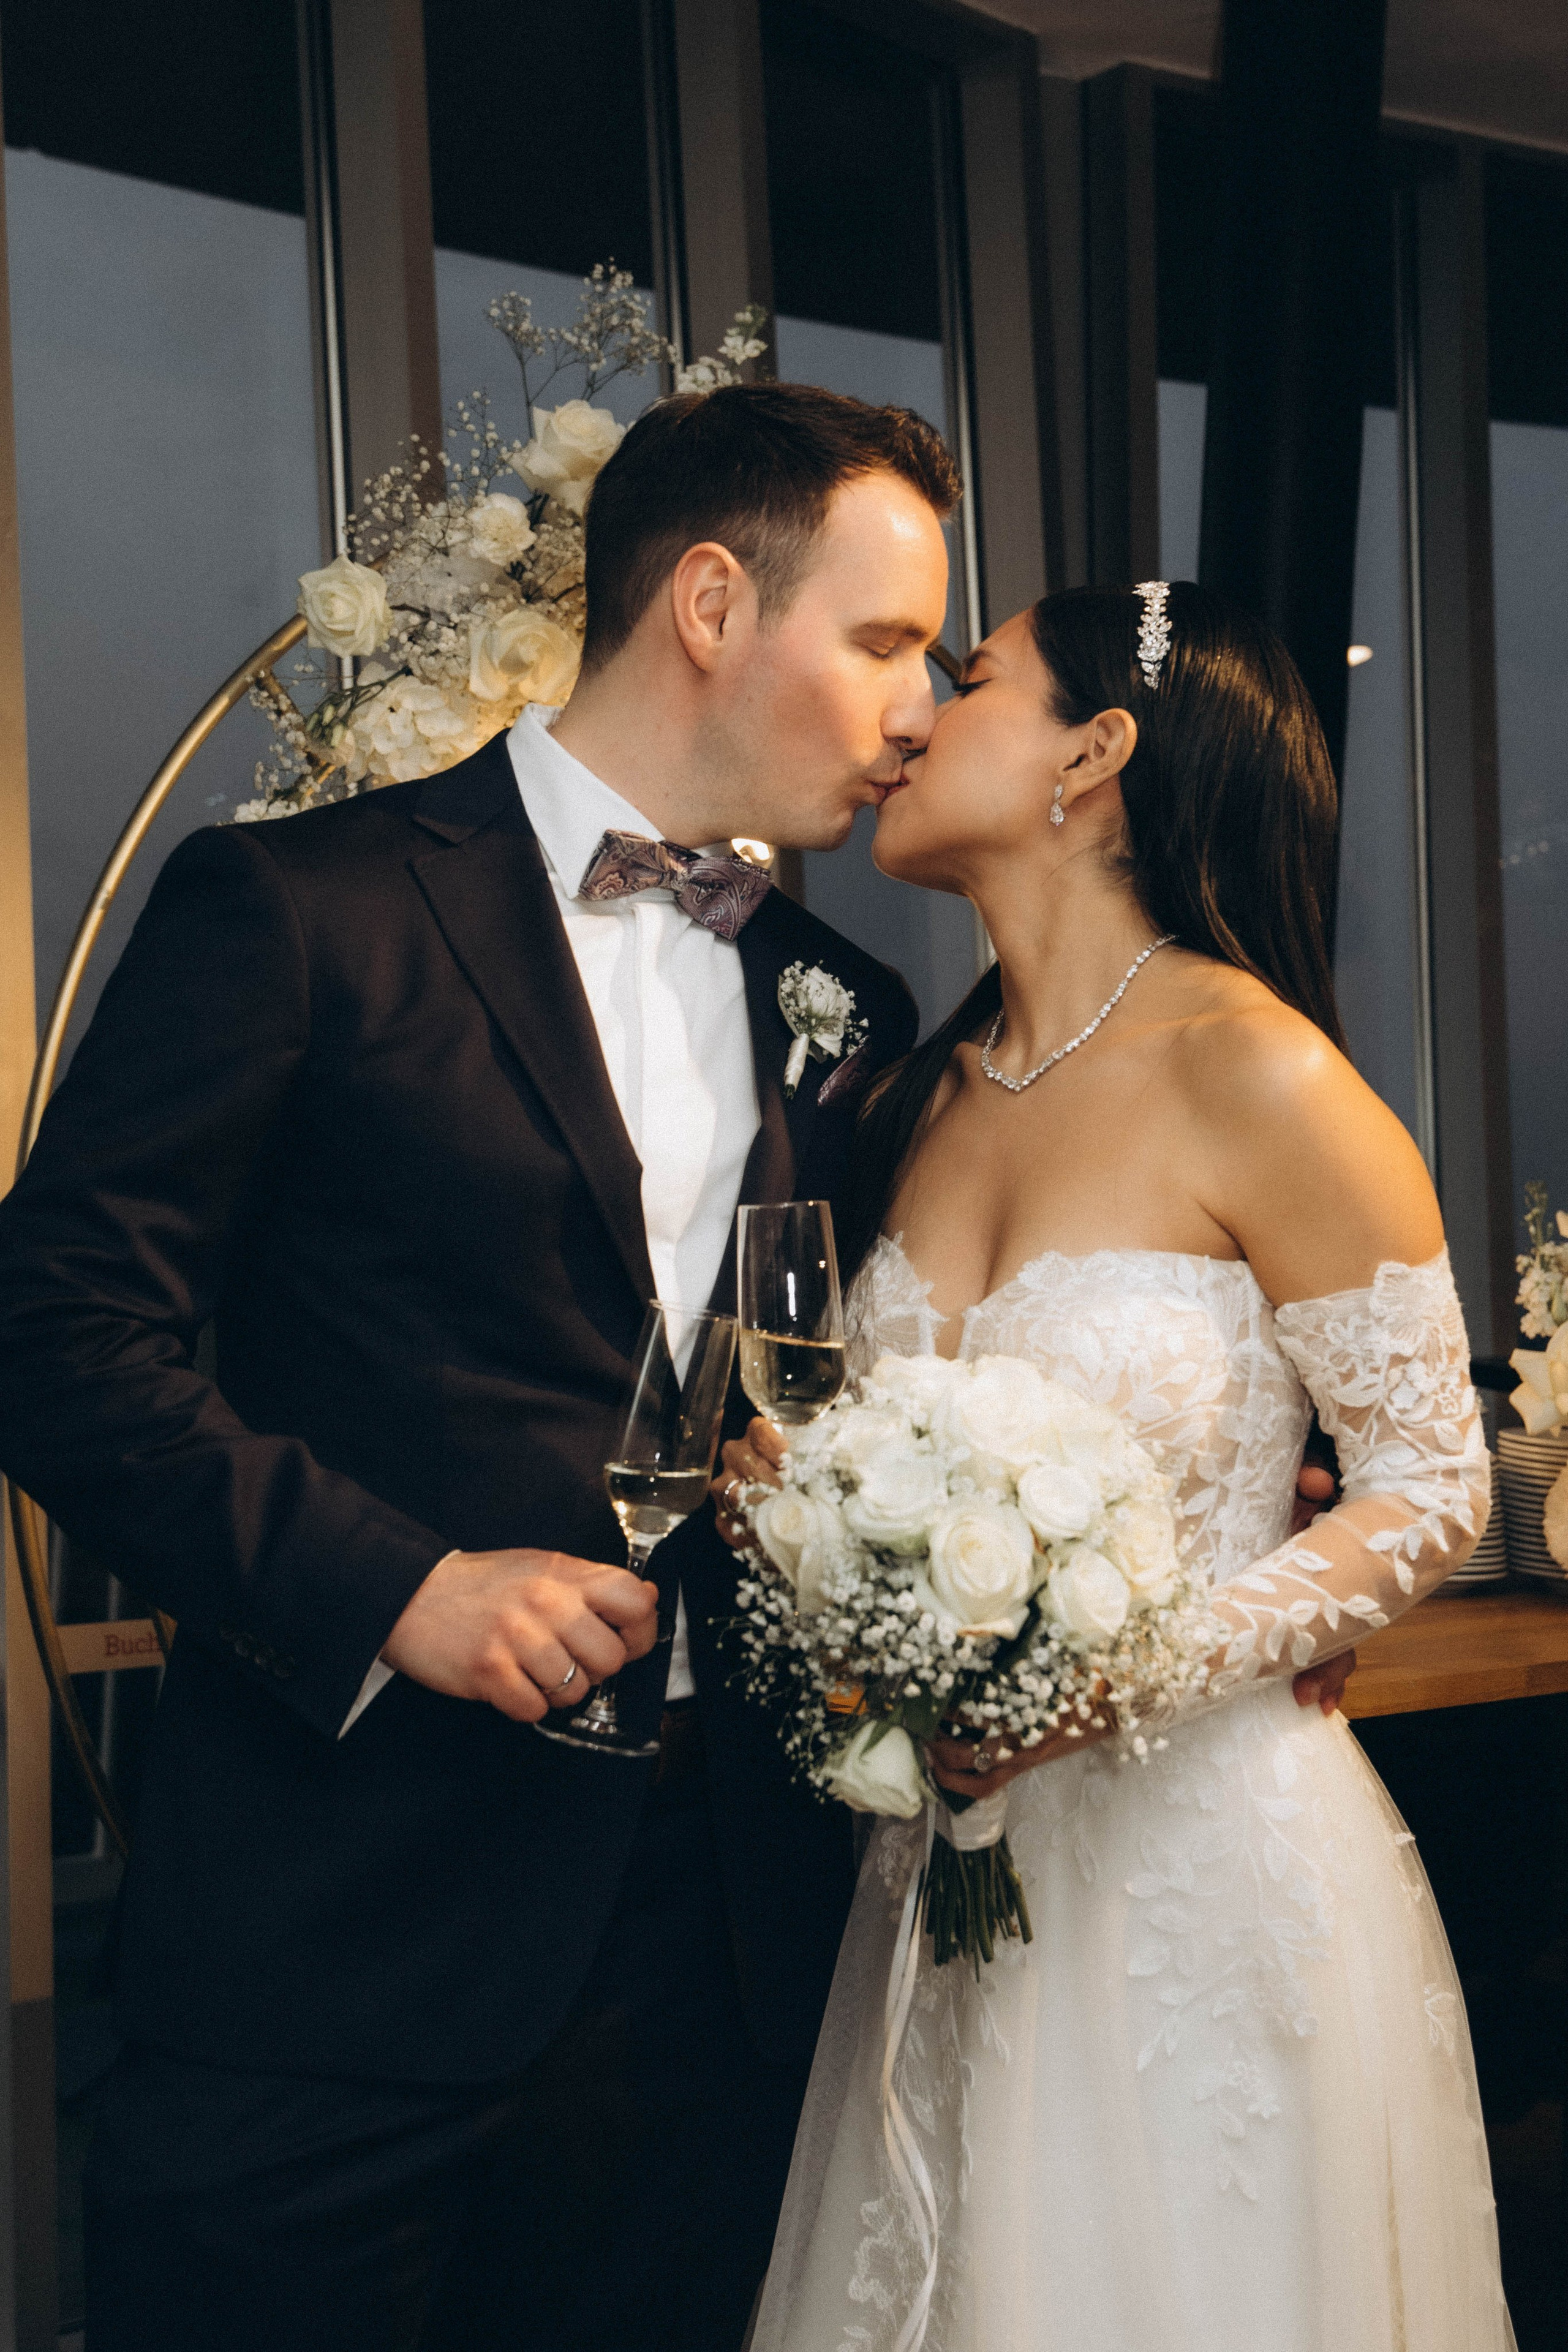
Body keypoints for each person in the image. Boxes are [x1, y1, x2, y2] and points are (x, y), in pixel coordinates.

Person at [0, 383, 952, 2350]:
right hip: (337, 1934)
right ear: (710, 602)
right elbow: (56, 1335)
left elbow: (820, 1378)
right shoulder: (302, 910)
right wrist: (399, 1587)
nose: (920, 706)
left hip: (723, 1937)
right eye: (881, 642)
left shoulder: (844, 1007)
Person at [720, 582, 1512, 2352]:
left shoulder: (1263, 1072)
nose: (914, 719)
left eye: (969, 677)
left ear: (1096, 750)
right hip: (944, 1884)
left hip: (1198, 1877)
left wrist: (1121, 1677)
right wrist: (793, 1509)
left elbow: (1430, 1484)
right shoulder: (917, 1094)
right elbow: (857, 1460)